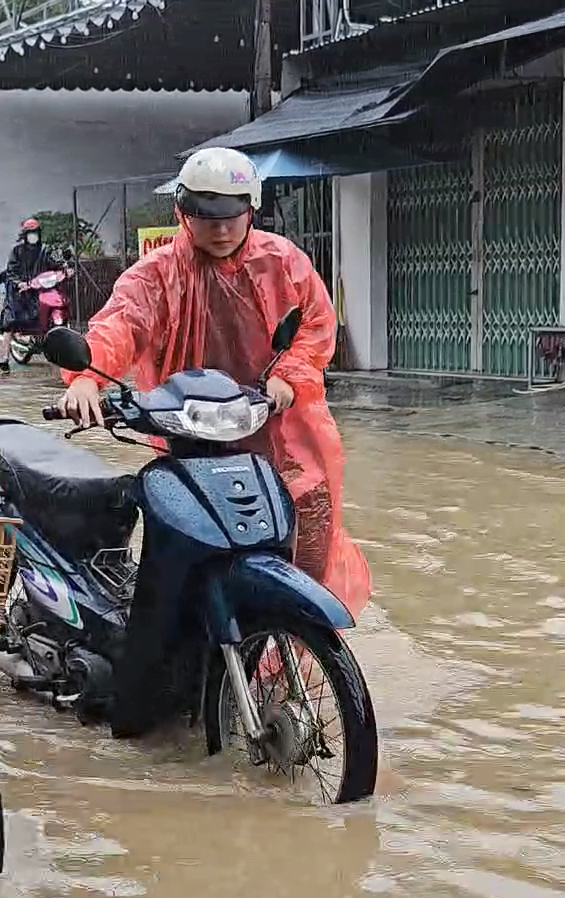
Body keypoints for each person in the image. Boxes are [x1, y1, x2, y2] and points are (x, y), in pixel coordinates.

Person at [56, 146, 371, 616]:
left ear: (251, 210)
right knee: (194, 547)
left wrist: (288, 374)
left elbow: (316, 325)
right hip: (196, 431)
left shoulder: (283, 262)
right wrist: (85, 376)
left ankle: (293, 665)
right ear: (183, 213)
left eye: (232, 216)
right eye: (206, 217)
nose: (221, 230)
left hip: (284, 426)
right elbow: (120, 324)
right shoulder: (159, 274)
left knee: (309, 544)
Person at [0, 218, 57, 363]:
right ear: (25, 235)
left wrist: (64, 268)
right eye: (30, 233)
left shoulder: (45, 251)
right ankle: (4, 358)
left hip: (38, 290)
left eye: (35, 232)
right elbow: (11, 271)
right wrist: (19, 283)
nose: (33, 236)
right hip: (19, 293)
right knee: (10, 323)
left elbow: (54, 264)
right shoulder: (17, 251)